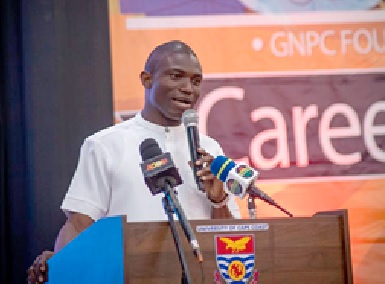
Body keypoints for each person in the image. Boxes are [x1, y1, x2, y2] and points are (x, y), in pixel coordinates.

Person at [27, 40, 240, 283]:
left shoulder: (210, 149)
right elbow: (79, 225)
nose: (188, 88)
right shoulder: (105, 145)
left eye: (195, 81)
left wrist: (218, 200)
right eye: (176, 76)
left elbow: (230, 239)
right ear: (146, 79)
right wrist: (60, 265)